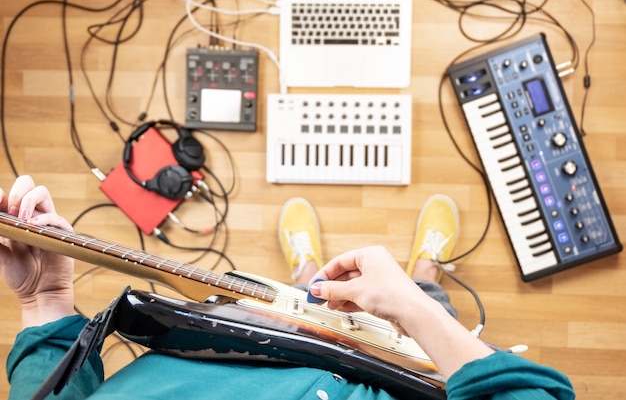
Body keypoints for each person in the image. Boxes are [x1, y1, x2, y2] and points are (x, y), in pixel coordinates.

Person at [1, 175, 575, 400]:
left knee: (308, 294)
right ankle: (427, 270)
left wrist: (42, 302)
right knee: (431, 314)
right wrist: (409, 305)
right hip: (396, 377)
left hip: (255, 336)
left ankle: (305, 273)